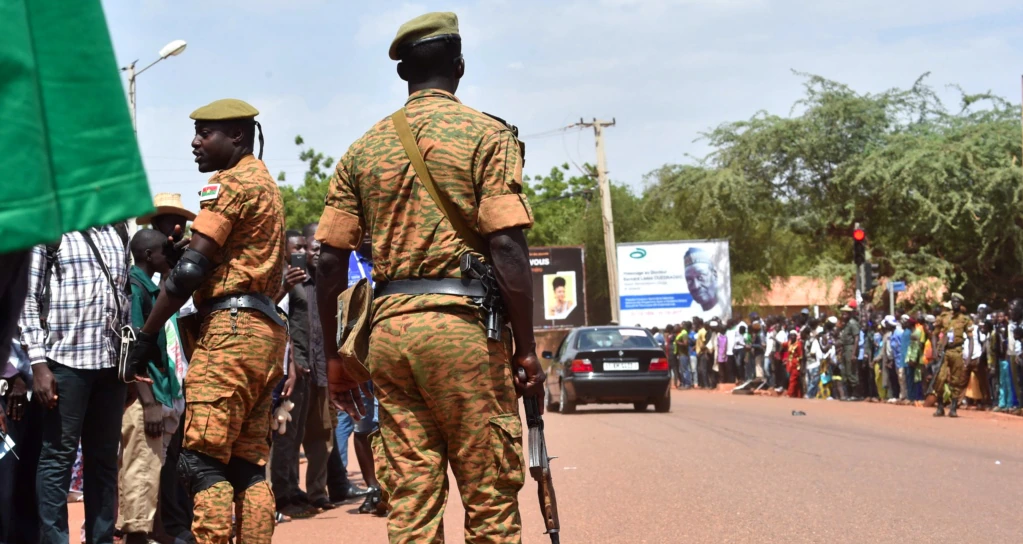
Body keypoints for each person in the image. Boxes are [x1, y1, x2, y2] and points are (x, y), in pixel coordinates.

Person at [313, 12, 544, 543]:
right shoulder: (487, 135)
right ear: (460, 66)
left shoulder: (362, 150)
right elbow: (506, 243)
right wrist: (526, 348)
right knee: (488, 494)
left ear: (403, 75)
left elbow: (329, 263)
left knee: (411, 499)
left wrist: (334, 356)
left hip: (390, 337)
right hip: (464, 332)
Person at [125, 98, 287, 544]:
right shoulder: (266, 183)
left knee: (201, 462)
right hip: (264, 333)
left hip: (232, 334)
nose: (194, 143)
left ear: (236, 135)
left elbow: (191, 272)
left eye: (205, 133)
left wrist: (148, 332)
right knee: (247, 466)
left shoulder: (229, 183)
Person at [18, 222, 130, 544]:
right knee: (57, 460)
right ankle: (54, 540)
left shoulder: (117, 232)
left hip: (111, 368)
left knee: (105, 461)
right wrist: (38, 363)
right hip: (65, 364)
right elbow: (28, 297)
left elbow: (122, 298)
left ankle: (100, 539)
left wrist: (129, 366)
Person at [119, 229, 185, 544]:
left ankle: (150, 531)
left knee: (150, 465)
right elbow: (132, 347)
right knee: (141, 465)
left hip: (152, 390)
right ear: (148, 255)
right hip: (142, 394)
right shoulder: (135, 287)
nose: (165, 256)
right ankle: (136, 535)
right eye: (162, 252)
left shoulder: (148, 285)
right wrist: (148, 401)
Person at [933, 294, 972, 418]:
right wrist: (934, 350)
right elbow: (934, 334)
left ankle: (953, 408)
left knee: (956, 380)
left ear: (960, 304)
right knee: (940, 379)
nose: (955, 304)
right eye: (953, 301)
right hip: (944, 351)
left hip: (957, 351)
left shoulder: (965, 319)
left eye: (958, 302)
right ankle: (940, 407)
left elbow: (971, 339)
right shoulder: (944, 317)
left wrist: (969, 356)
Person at [683, 248, 724, 318]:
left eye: (700, 278)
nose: (696, 286)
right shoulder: (689, 313)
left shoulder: (723, 309)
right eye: (689, 280)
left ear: (714, 275)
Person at [838, 305, 861, 400]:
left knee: (851, 371)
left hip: (851, 348)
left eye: (846, 313)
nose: (843, 315)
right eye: (843, 313)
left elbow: (856, 338)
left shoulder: (852, 323)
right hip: (845, 348)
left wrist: (853, 353)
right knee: (845, 372)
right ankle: (849, 394)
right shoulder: (845, 324)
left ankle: (856, 394)